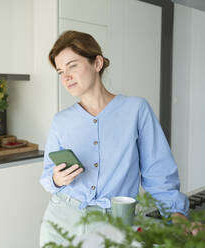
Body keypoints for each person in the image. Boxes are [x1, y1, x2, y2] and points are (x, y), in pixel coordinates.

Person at [39, 30, 191, 246]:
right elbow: (47, 176)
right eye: (60, 71)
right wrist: (57, 179)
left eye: (72, 66)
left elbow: (158, 172)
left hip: (116, 222)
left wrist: (176, 214)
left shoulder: (136, 110)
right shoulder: (61, 120)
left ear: (97, 63)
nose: (66, 77)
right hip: (61, 221)